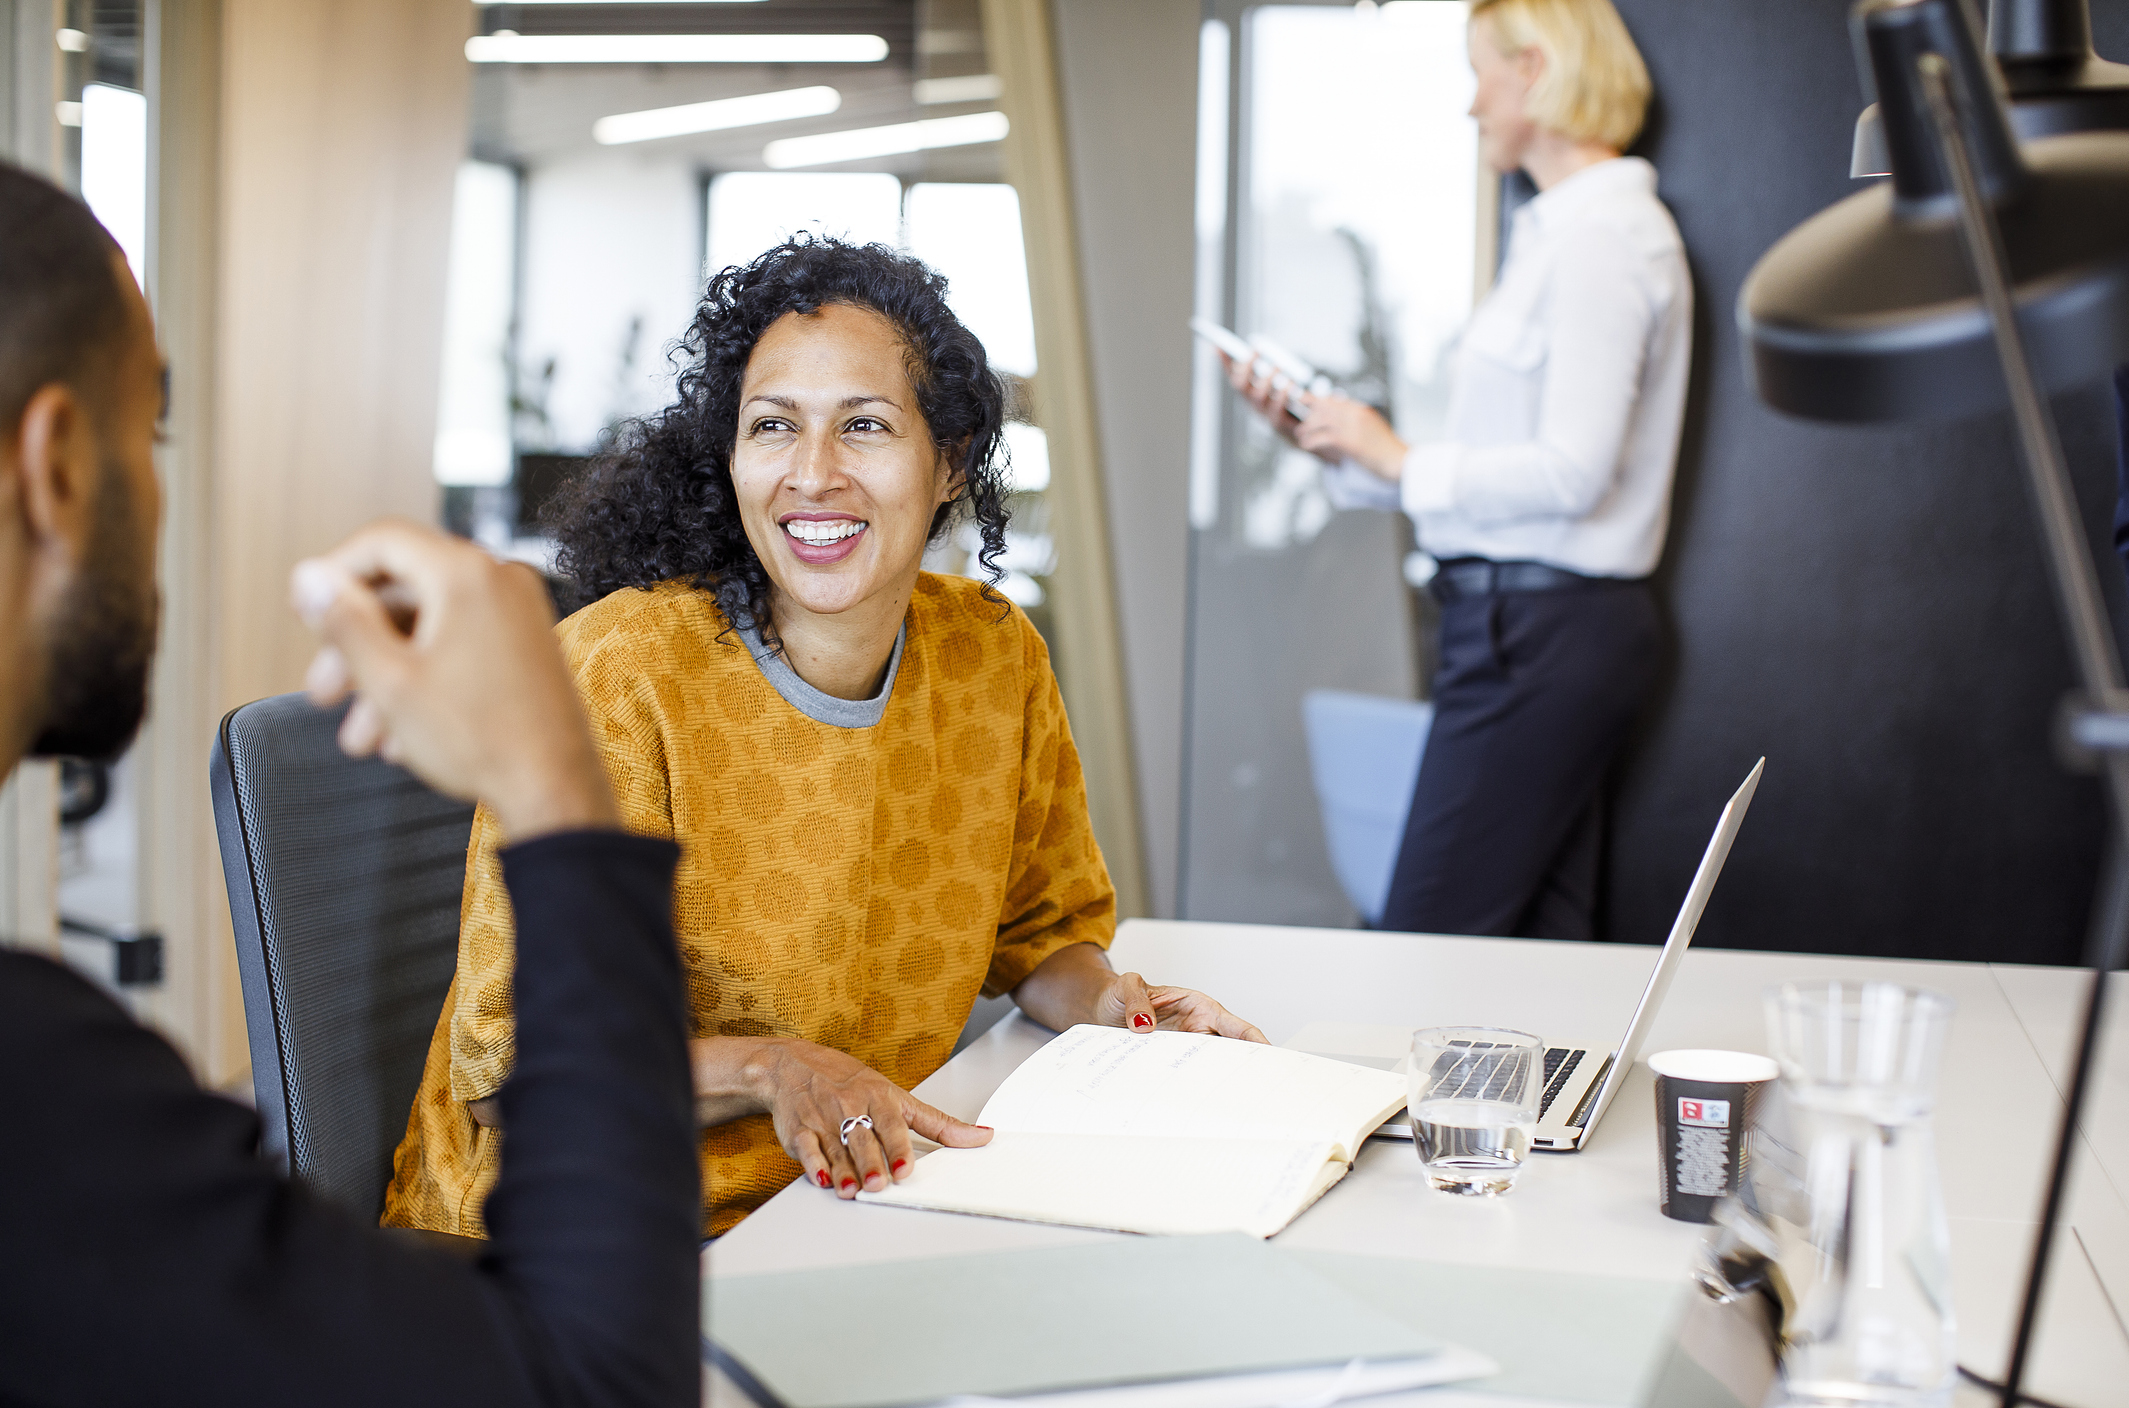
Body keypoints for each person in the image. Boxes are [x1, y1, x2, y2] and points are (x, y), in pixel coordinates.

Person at [387, 235, 1267, 1239]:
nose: (812, 474)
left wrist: (1114, 1006)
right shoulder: (617, 677)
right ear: (729, 457)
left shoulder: (992, 658)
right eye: (773, 426)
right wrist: (774, 1066)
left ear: (949, 463)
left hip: (863, 1192)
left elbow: (1039, 932)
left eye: (864, 426)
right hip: (595, 1239)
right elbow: (515, 1076)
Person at [0, 163, 700, 1406]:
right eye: (147, 430)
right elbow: (599, 1383)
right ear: (56, 467)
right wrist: (552, 782)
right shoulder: (40, 1108)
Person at [1224, 0, 1690, 943]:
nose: (1472, 103)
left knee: (1424, 943)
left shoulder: (1603, 238)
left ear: (1533, 67)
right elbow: (1485, 487)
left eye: (1480, 72)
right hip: (1526, 624)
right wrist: (1319, 437)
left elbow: (1570, 474)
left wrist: (1393, 452)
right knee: (1538, 950)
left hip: (1541, 632)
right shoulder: (1559, 236)